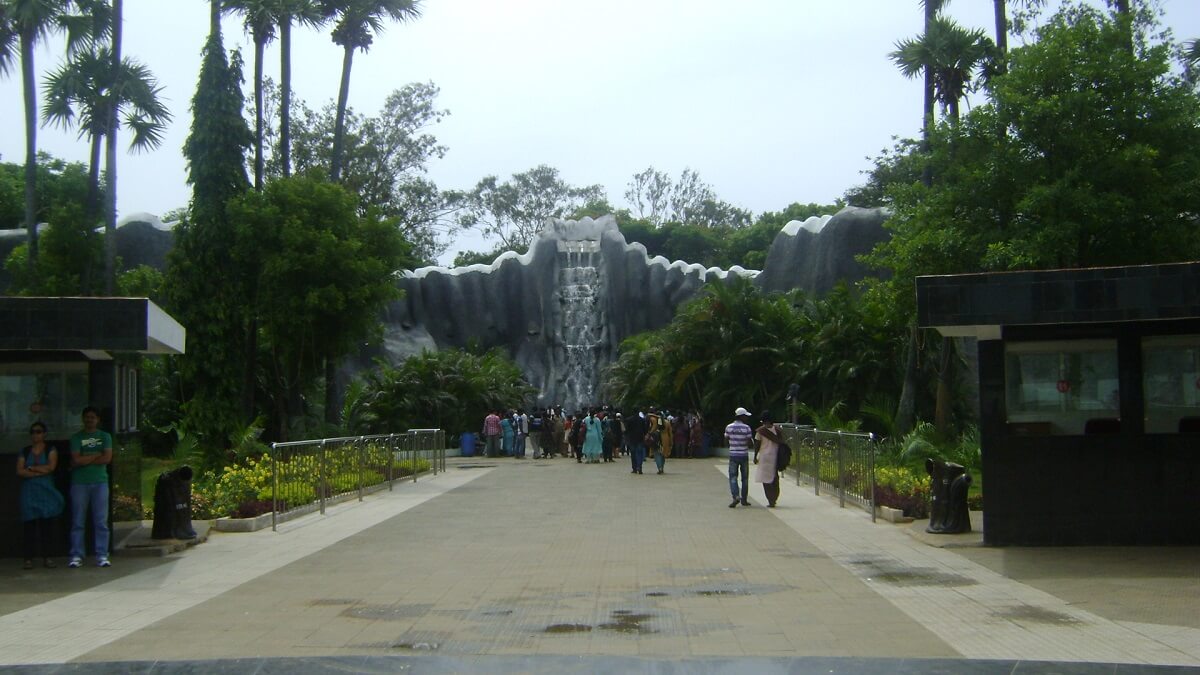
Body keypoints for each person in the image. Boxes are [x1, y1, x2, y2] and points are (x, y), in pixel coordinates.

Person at [69, 406, 113, 567]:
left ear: (98, 419)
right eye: (87, 417)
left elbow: (107, 458)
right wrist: (96, 455)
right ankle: (76, 554)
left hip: (100, 482)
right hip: (79, 482)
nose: (90, 420)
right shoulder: (76, 438)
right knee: (78, 520)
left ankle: (102, 554)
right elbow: (76, 460)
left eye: (93, 417)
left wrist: (85, 458)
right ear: (83, 419)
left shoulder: (105, 436)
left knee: (101, 521)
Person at [16, 421, 64, 569]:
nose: (35, 435)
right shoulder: (25, 451)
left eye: (38, 431)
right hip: (29, 492)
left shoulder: (50, 449)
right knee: (29, 526)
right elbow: (20, 471)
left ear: (44, 434)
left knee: (46, 526)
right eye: (33, 432)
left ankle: (47, 557)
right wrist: (39, 471)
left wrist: (31, 469)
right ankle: (28, 558)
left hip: (46, 491)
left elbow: (51, 468)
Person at [753, 411, 785, 507]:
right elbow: (782, 443)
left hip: (764, 457)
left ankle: (770, 499)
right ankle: (774, 497)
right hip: (775, 457)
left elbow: (757, 444)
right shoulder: (778, 430)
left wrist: (755, 456)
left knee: (765, 479)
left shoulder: (760, 431)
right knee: (774, 477)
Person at [725, 406, 754, 508]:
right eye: (745, 416)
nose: (747, 418)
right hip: (744, 455)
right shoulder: (747, 428)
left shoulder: (729, 427)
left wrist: (733, 444)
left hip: (733, 455)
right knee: (745, 478)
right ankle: (744, 499)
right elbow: (750, 443)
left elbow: (726, 439)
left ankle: (736, 496)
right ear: (741, 416)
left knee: (733, 477)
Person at [624, 409, 647, 474]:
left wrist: (627, 437)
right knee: (639, 453)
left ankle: (634, 468)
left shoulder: (629, 420)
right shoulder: (642, 420)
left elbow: (627, 430)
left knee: (633, 454)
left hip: (632, 439)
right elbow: (645, 430)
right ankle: (639, 467)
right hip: (640, 438)